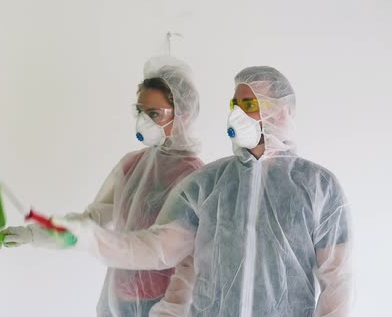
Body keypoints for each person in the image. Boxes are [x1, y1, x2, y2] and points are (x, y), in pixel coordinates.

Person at [56, 66, 353, 317]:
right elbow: (157, 249)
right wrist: (89, 238)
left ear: (281, 113)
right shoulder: (208, 183)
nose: (237, 114)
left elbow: (337, 281)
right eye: (234, 105)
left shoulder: (318, 187)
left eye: (249, 105)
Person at [0, 56, 205, 316]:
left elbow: (175, 256)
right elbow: (93, 219)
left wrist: (171, 310)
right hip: (120, 299)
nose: (144, 121)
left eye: (154, 114)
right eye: (140, 111)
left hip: (162, 303)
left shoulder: (195, 176)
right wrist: (34, 234)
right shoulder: (132, 165)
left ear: (183, 116)